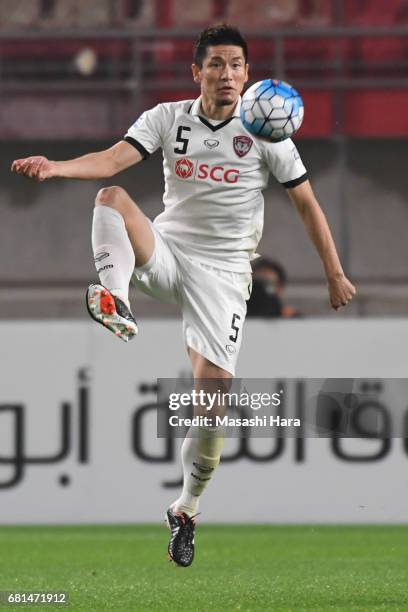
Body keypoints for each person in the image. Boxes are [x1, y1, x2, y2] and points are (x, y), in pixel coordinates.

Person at [11, 24, 356, 567]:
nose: (228, 74)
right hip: (169, 251)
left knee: (211, 406)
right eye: (216, 64)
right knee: (112, 197)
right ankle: (115, 298)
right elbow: (110, 160)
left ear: (247, 73)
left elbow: (308, 205)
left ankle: (185, 509)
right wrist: (57, 167)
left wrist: (333, 272)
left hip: (223, 276)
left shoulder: (267, 131)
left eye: (237, 65)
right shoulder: (167, 118)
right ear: (197, 72)